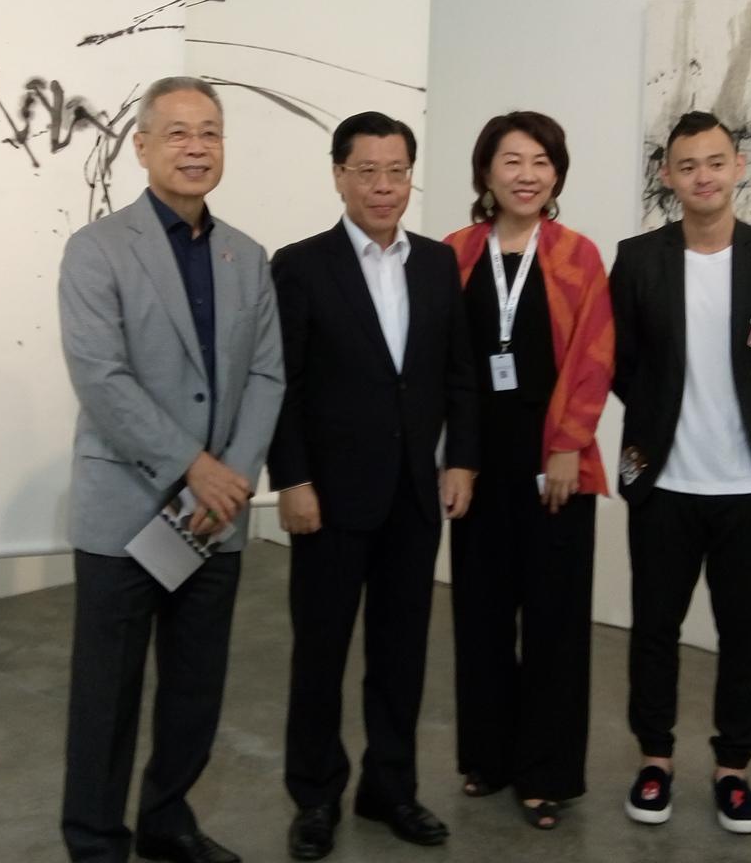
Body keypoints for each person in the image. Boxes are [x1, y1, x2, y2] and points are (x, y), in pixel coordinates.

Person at [56, 77, 285, 863]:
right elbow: (101, 377)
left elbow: (267, 375)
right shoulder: (95, 251)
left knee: (195, 689)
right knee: (107, 697)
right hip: (126, 511)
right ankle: (94, 841)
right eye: (179, 132)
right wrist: (194, 465)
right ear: (143, 146)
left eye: (212, 133)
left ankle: (167, 818)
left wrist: (235, 479)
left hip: (213, 515)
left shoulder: (247, 256)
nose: (197, 147)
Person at [268, 111, 480, 861]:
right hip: (327, 498)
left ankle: (390, 787)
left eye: (396, 171)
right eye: (367, 171)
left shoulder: (434, 263)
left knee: (401, 654)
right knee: (319, 654)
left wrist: (461, 460)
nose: (383, 186)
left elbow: (458, 372)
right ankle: (316, 795)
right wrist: (290, 478)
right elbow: (282, 385)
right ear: (338, 175)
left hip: (413, 498)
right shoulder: (299, 265)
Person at [609, 110, 751, 835]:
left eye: (715, 162)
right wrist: (663, 417)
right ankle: (655, 759)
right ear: (667, 177)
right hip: (663, 484)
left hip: (747, 488)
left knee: (744, 633)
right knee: (655, 631)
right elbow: (622, 362)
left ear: (739, 168)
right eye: (687, 165)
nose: (703, 176)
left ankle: (734, 769)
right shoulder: (637, 260)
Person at [441, 111, 613, 831]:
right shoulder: (452, 253)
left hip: (555, 468)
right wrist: (459, 458)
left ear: (558, 173)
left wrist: (569, 446)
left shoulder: (578, 254)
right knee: (478, 617)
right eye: (510, 161)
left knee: (554, 622)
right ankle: (488, 756)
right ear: (486, 172)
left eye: (540, 161)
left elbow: (596, 356)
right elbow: (446, 368)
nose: (525, 174)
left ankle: (546, 772)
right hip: (478, 465)